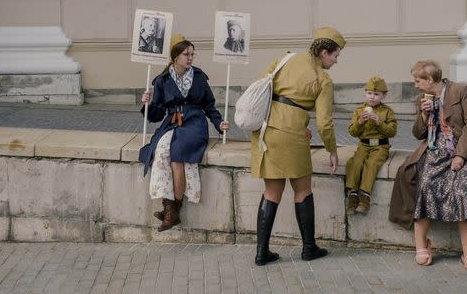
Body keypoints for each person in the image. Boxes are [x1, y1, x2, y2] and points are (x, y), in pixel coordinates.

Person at [389, 60, 467, 271]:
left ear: (430, 79)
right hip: (434, 148)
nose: (415, 84)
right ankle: (421, 245)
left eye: (418, 80)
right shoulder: (423, 98)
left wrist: (461, 156)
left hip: (462, 149)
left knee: (465, 188)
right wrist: (423, 114)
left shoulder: (460, 90)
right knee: (426, 183)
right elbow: (418, 134)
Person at [251, 27, 344, 266]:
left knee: (271, 192)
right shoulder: (323, 80)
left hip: (267, 128)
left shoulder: (287, 57)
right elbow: (324, 124)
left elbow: (263, 84)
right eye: (335, 55)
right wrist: (332, 150)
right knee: (302, 190)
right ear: (324, 52)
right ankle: (309, 248)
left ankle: (262, 253)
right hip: (292, 136)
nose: (336, 61)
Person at [139, 34, 230, 232]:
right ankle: (171, 211)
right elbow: (156, 115)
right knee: (160, 151)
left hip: (194, 124)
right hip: (172, 124)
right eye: (186, 54)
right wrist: (146, 103)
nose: (190, 58)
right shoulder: (162, 80)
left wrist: (219, 123)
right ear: (175, 57)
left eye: (192, 54)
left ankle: (171, 211)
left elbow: (209, 106)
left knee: (177, 156)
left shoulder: (198, 77)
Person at [344, 75, 397, 215]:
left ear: (383, 96)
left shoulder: (387, 111)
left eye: (376, 94)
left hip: (380, 146)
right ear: (365, 93)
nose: (372, 97)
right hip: (364, 145)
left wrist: (380, 122)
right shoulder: (359, 111)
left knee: (372, 163)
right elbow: (352, 132)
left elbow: (392, 132)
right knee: (355, 162)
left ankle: (364, 197)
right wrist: (360, 122)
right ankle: (352, 195)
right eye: (369, 93)